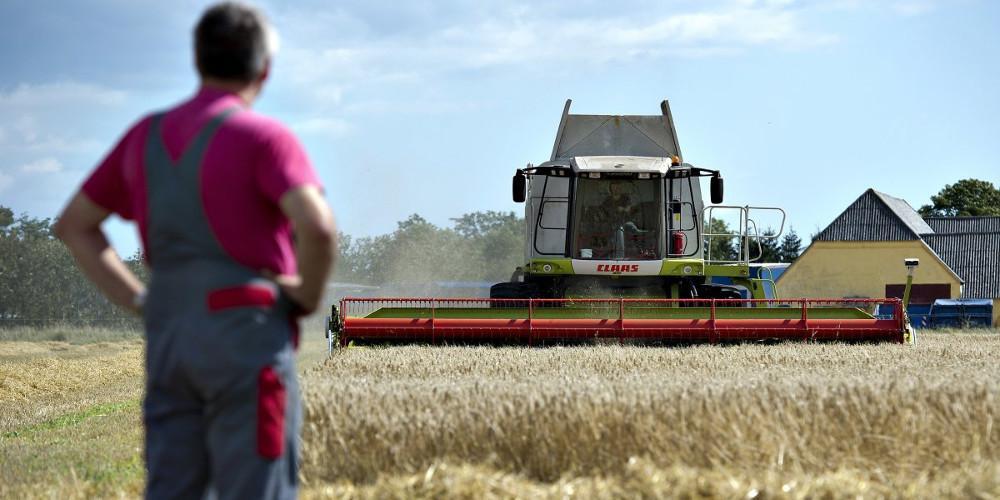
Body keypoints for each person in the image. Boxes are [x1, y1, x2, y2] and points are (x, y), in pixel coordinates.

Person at [54, 3, 335, 498]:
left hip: (170, 336)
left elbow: (75, 226)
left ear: (197, 61)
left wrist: (140, 300)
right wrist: (307, 296)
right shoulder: (265, 138)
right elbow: (317, 228)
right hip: (245, 337)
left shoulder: (145, 136)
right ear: (264, 69)